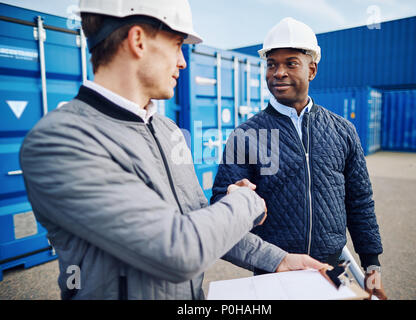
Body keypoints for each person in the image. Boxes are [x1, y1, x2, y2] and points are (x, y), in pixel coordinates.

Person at [19, 2, 327, 300]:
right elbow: (178, 250)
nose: (183, 61)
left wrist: (279, 260)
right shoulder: (61, 141)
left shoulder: (167, 131)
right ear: (138, 40)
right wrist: (245, 202)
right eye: (177, 44)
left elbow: (200, 221)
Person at [211, 17, 387, 299]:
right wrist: (234, 199)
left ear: (312, 69)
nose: (278, 72)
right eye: (272, 64)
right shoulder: (246, 135)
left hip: (333, 266)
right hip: (274, 269)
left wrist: (372, 265)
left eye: (290, 63)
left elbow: (360, 202)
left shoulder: (343, 131)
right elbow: (221, 201)